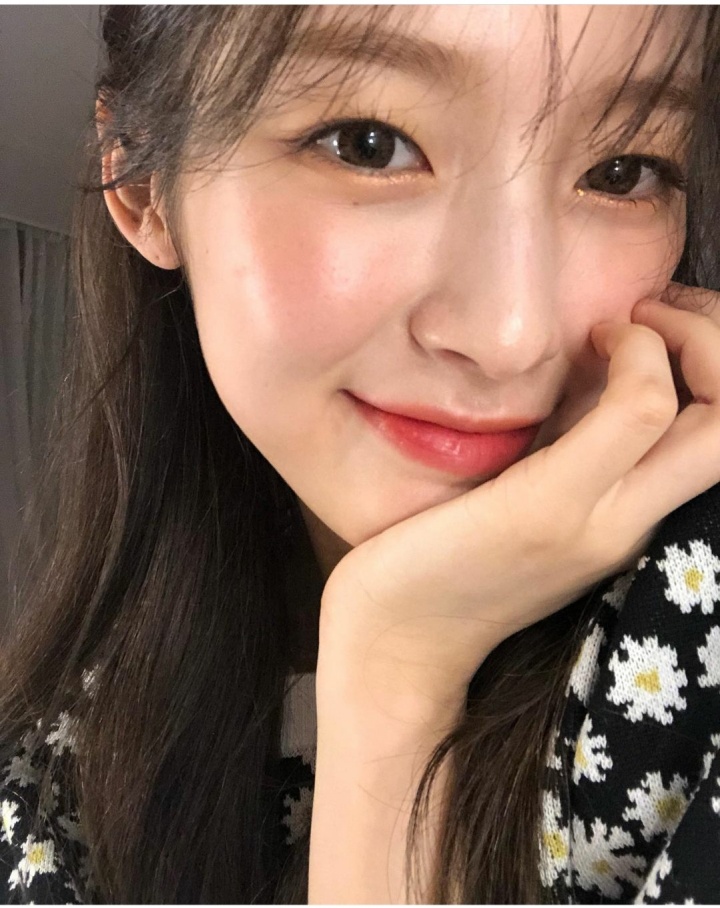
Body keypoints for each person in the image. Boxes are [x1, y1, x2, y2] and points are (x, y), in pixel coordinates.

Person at [1, 4, 719, 903]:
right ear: (145, 184)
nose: (511, 334)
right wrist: (394, 670)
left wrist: (398, 672)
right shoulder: (49, 789)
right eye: (369, 145)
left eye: (622, 172)